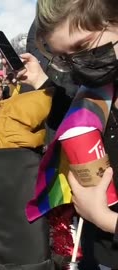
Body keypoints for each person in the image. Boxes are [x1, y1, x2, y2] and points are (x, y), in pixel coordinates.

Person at [22, 0, 118, 268]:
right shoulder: (96, 92)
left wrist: (105, 219)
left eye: (84, 48)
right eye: (65, 58)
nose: (80, 66)